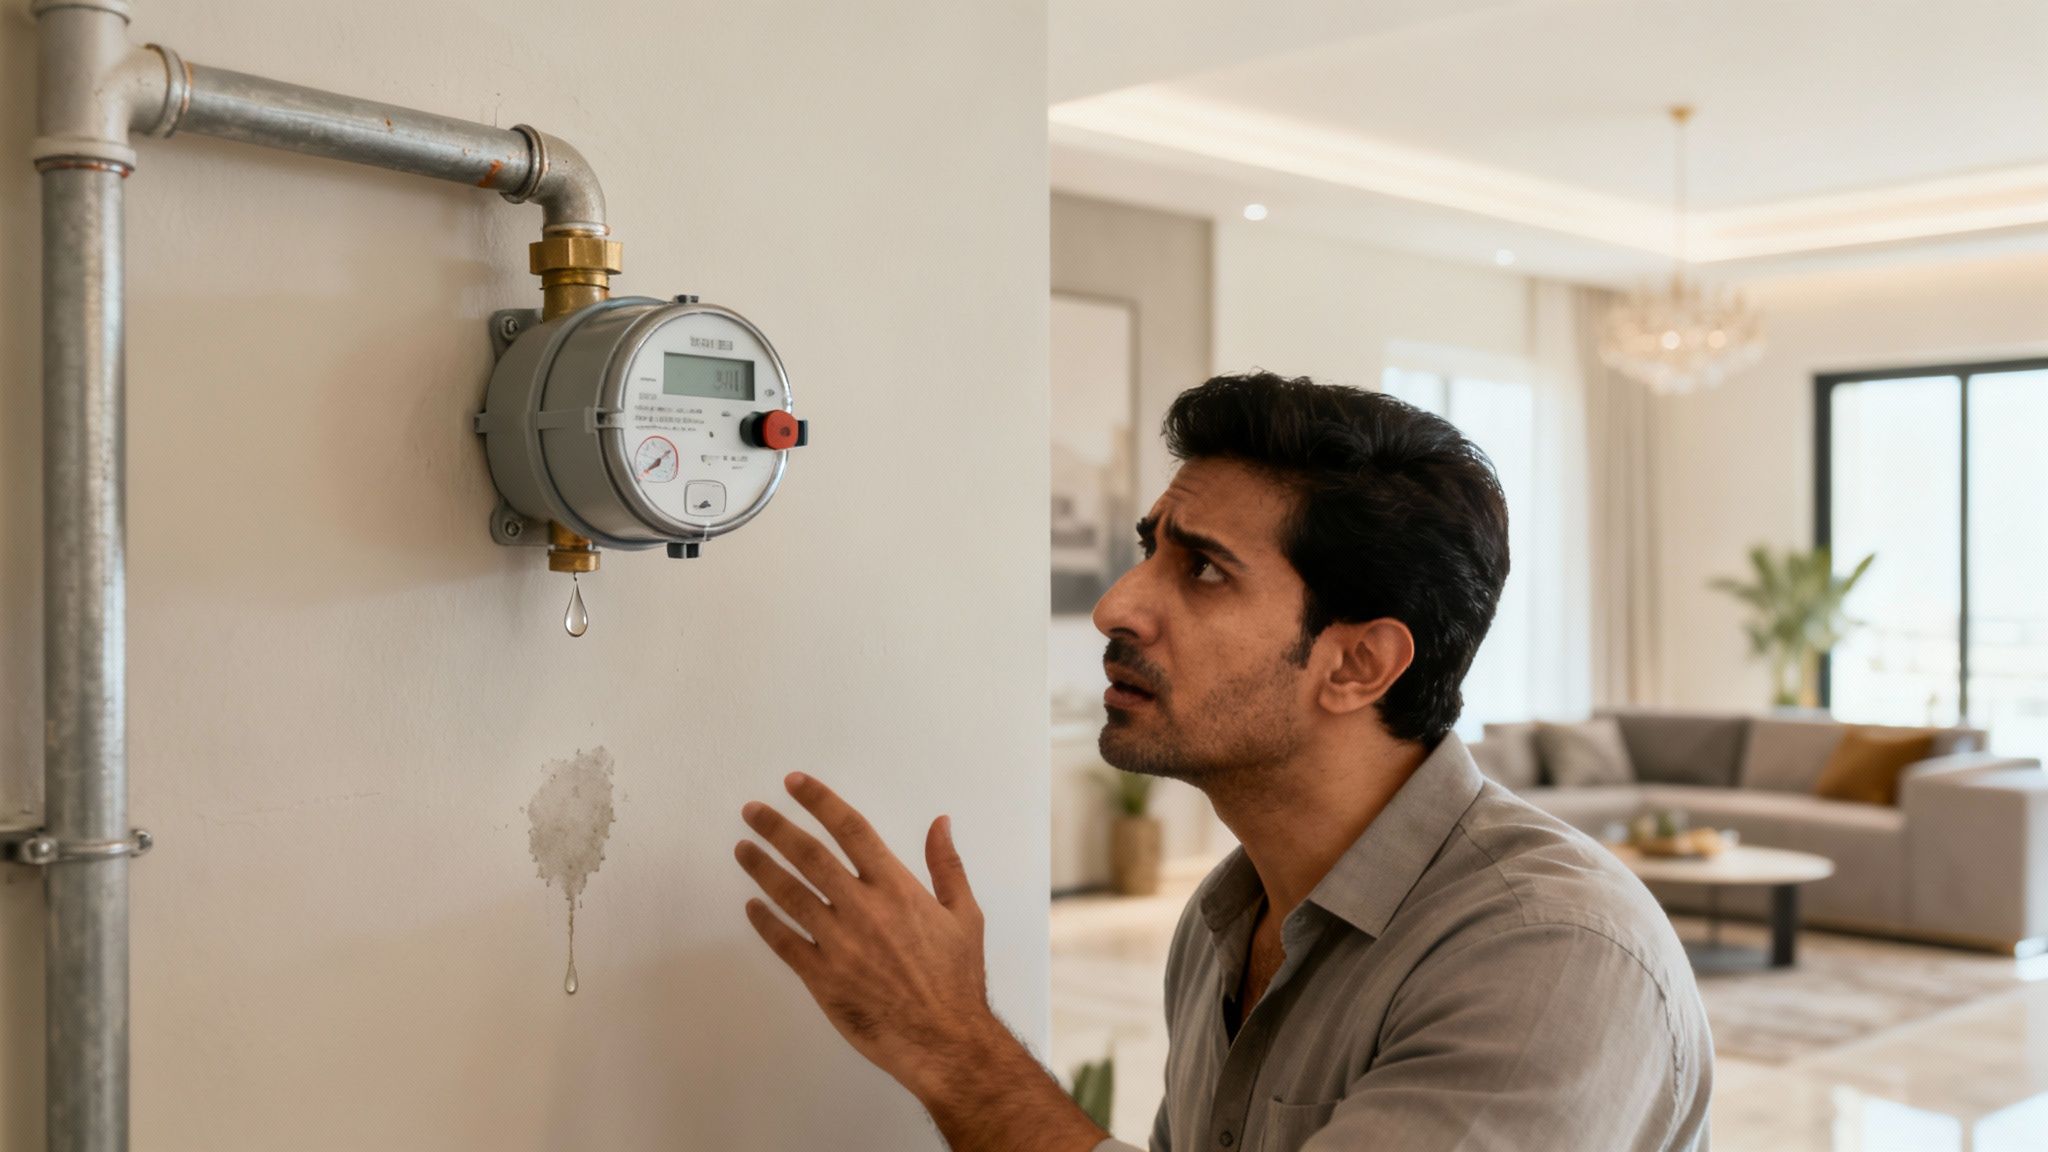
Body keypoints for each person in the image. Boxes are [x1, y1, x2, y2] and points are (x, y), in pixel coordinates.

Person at [733, 372, 1712, 1151]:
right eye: (1147, 548)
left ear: (1356, 664)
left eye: (1200, 568)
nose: (1117, 604)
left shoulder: (1549, 955)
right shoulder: (1222, 924)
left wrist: (955, 1046)